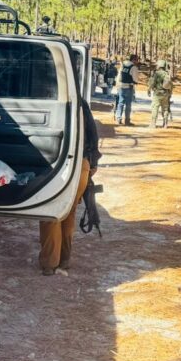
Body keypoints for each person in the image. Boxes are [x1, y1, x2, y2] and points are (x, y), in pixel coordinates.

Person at [39, 99, 102, 276]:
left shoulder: (48, 102)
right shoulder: (80, 102)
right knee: (69, 212)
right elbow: (92, 134)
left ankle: (49, 264)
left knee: (49, 212)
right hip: (82, 163)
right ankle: (64, 261)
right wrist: (92, 163)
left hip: (56, 165)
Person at [114, 54, 140, 126]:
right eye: (137, 60)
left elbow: (119, 75)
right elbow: (135, 79)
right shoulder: (133, 67)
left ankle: (118, 119)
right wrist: (136, 82)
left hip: (121, 86)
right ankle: (127, 121)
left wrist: (117, 85)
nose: (137, 61)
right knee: (128, 105)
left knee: (120, 103)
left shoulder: (123, 65)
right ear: (134, 60)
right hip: (129, 87)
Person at [149, 59, 173, 128]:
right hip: (166, 94)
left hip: (157, 93)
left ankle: (153, 124)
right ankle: (165, 124)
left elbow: (152, 83)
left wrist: (149, 89)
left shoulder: (156, 73)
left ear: (159, 65)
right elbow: (171, 85)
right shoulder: (167, 74)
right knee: (165, 109)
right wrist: (170, 94)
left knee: (155, 108)